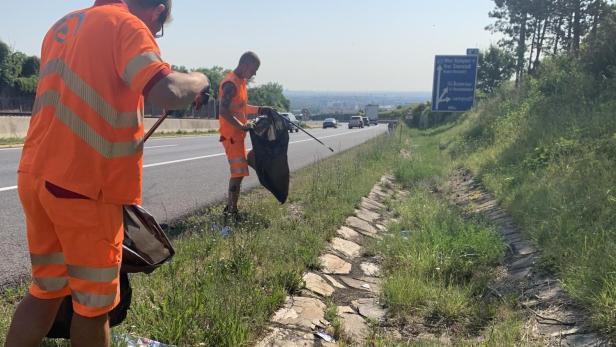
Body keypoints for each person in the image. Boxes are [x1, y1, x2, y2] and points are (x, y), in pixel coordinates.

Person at [4, 1, 209, 346]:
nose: (155, 35)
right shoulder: (125, 25)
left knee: (47, 289)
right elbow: (168, 90)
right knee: (93, 307)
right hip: (84, 187)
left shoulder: (63, 25)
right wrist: (202, 80)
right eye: (158, 29)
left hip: (37, 175)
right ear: (157, 11)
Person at [217, 52, 274, 221]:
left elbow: (241, 107)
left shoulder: (240, 82)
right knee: (238, 173)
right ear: (245, 65)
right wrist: (242, 125)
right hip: (231, 136)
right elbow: (223, 110)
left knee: (240, 172)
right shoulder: (230, 84)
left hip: (238, 136)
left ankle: (231, 207)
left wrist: (260, 109)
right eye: (254, 69)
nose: (255, 73)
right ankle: (231, 212)